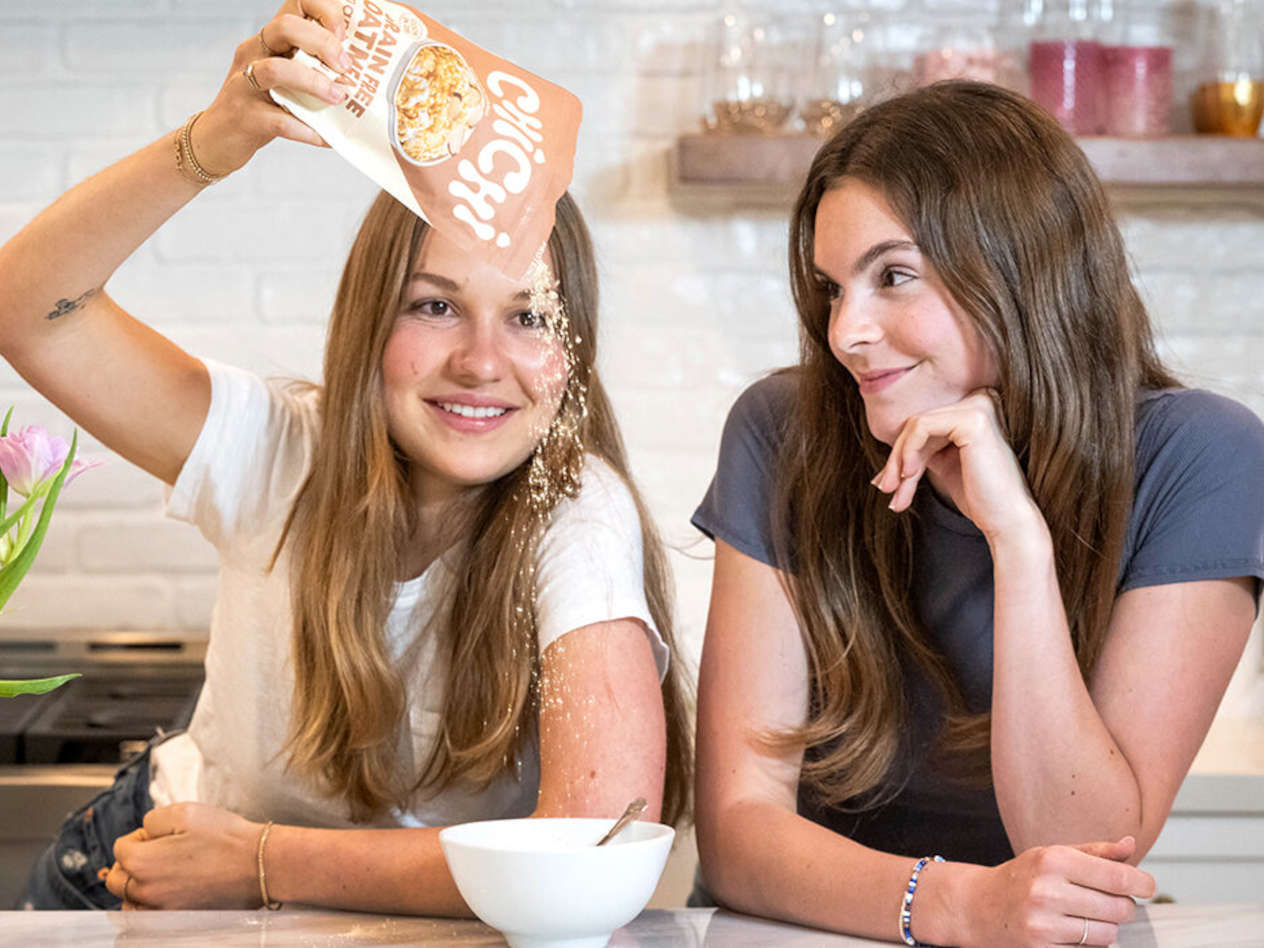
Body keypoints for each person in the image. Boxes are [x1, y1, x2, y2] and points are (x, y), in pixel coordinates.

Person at [4, 0, 691, 913]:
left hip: (276, 888)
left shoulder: (576, 510)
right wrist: (213, 144)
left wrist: (262, 862)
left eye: (527, 316)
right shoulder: (280, 449)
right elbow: (29, 307)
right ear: (372, 324)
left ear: (573, 349)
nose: (483, 362)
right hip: (146, 870)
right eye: (434, 306)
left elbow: (595, 848)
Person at [691, 81, 1264, 948]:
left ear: (1018, 267)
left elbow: (1081, 844)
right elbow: (737, 833)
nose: (846, 330)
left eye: (893, 277)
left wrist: (1018, 543)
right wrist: (956, 905)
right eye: (832, 287)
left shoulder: (1201, 456)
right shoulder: (782, 431)